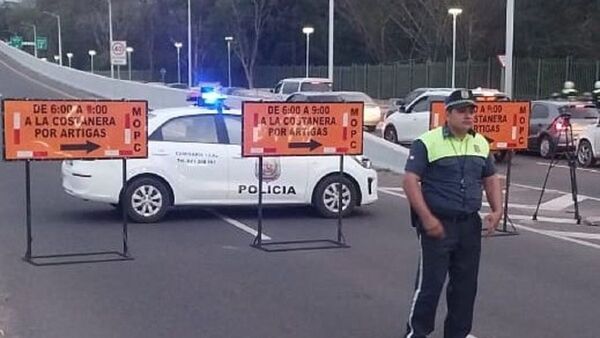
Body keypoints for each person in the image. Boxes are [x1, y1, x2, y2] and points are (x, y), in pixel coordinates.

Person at [403, 89, 503, 338]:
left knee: (465, 287)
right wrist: (426, 218)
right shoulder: (427, 142)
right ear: (447, 114)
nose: (468, 116)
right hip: (438, 223)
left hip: (468, 224)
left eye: (471, 111)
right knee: (430, 286)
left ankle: (458, 333)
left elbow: (490, 178)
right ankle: (417, 333)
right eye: (461, 111)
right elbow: (410, 180)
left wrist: (497, 209)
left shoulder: (480, 142)